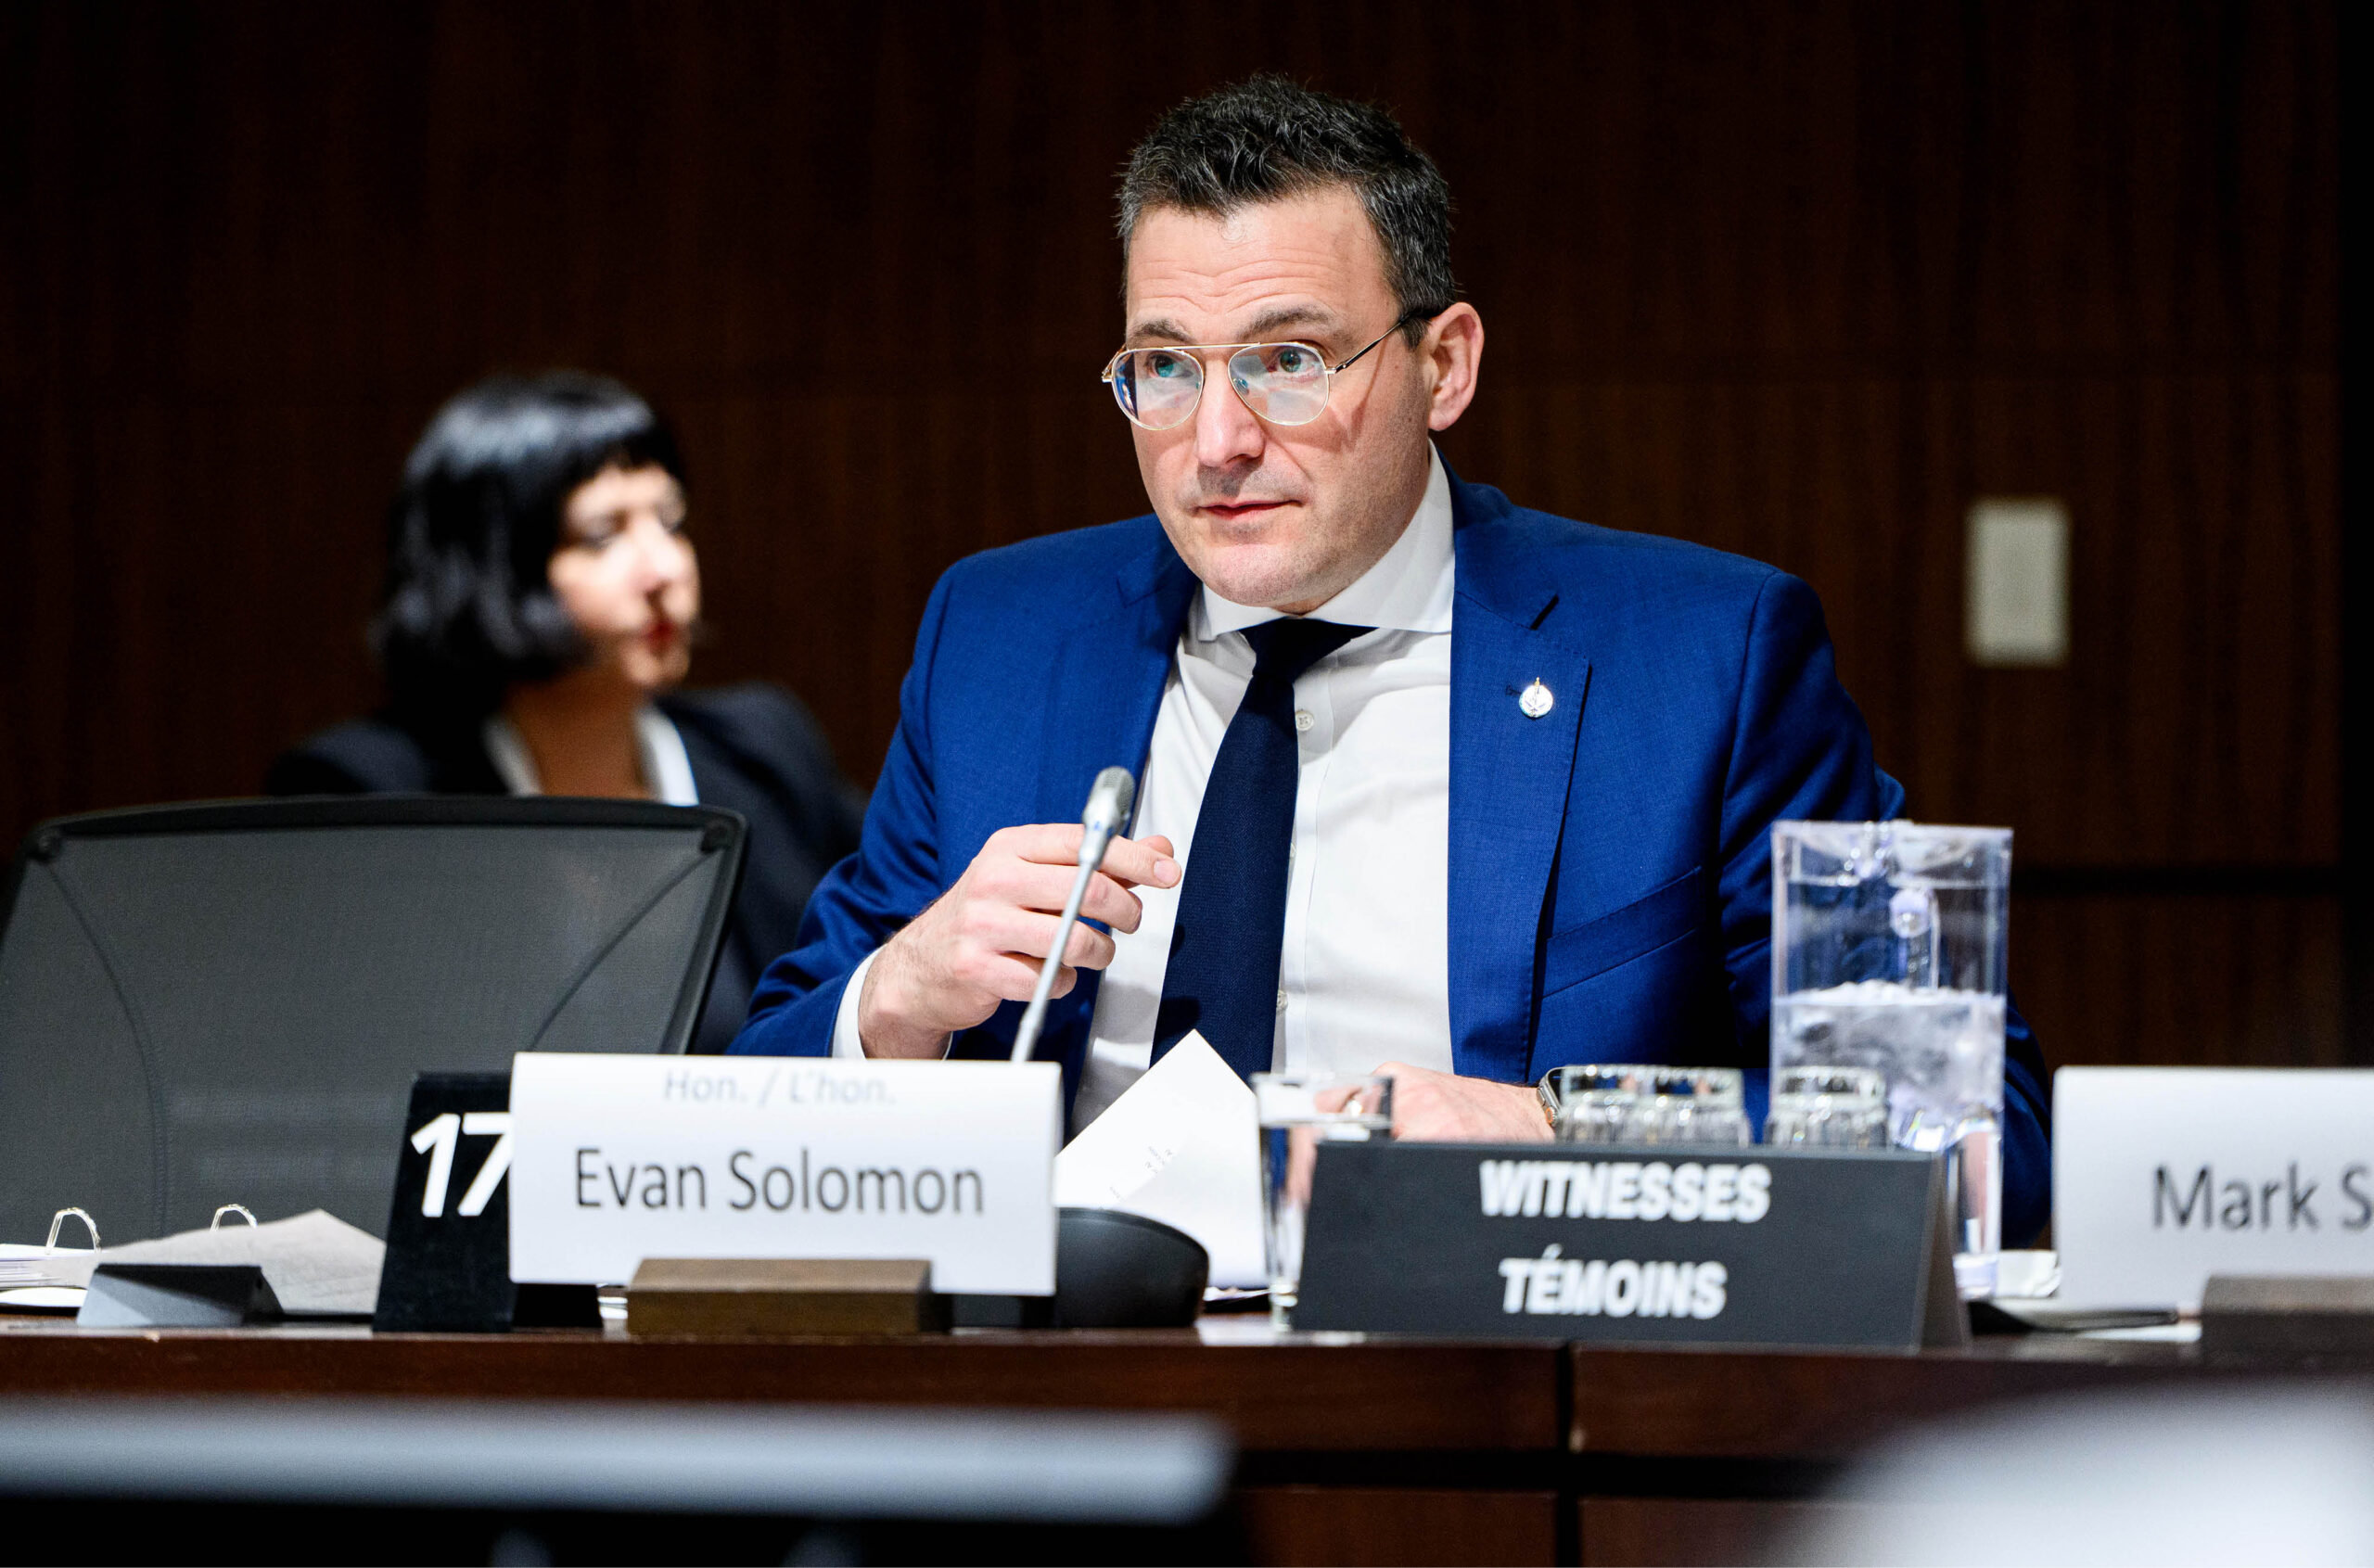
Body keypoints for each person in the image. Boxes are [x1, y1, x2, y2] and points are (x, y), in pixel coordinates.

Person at [729, 77, 2050, 1241]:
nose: (1217, 441)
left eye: (1288, 360)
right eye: (1165, 367)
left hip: (1482, 1376)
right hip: (1065, 1386)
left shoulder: (1700, 660)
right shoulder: (1002, 640)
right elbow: (739, 1113)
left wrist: (1564, 1131)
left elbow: (1975, 1127)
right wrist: (898, 996)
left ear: (1444, 364)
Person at [269, 372, 864, 1055]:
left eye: (671, 522)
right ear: (492, 565)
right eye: (602, 535)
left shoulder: (766, 750)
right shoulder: (373, 796)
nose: (664, 569)